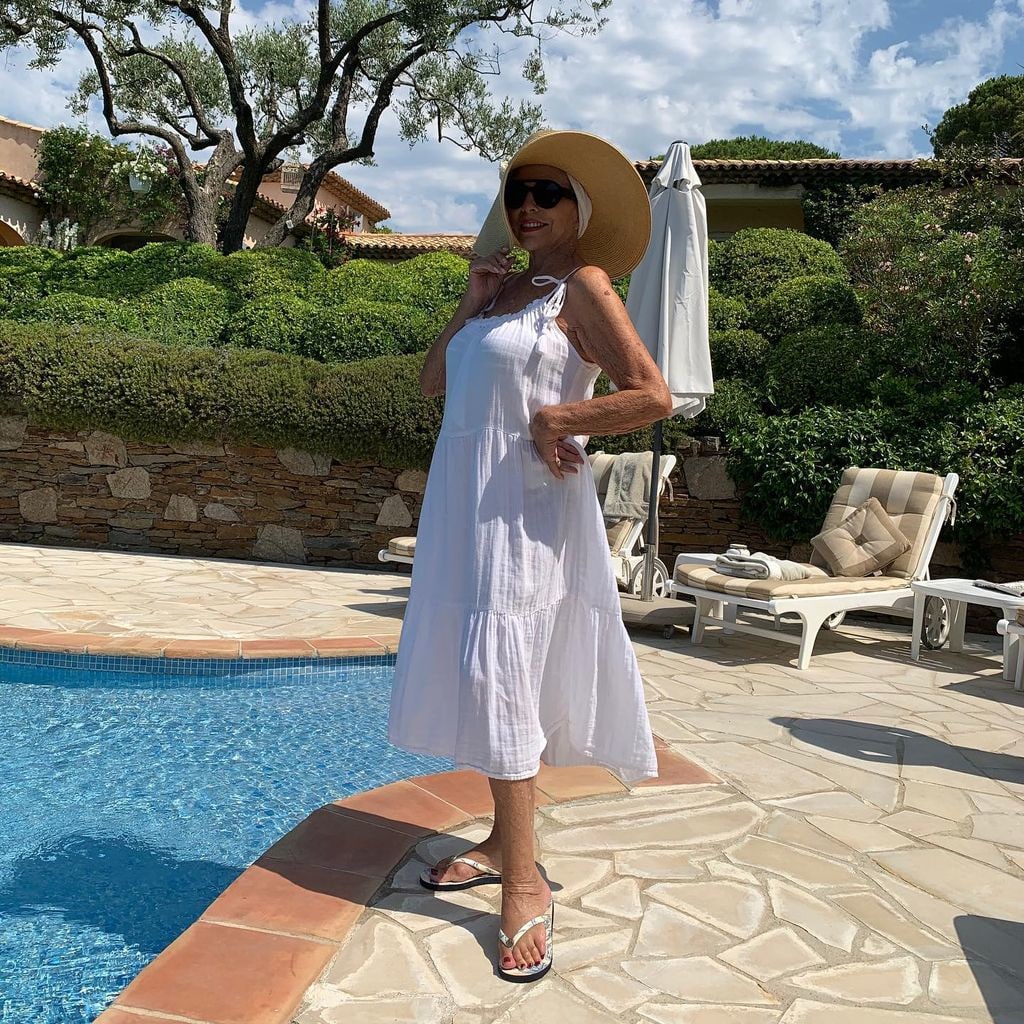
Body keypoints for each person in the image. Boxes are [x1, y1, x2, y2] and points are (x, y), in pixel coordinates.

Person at [388, 130, 671, 982]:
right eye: (518, 192)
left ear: (579, 210)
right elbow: (435, 382)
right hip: (464, 507)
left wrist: (558, 420)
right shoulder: (505, 287)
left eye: (547, 194)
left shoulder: (583, 286)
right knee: (483, 673)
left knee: (505, 672)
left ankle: (524, 881)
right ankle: (499, 835)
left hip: (528, 514)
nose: (527, 208)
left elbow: (652, 394)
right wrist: (471, 303)